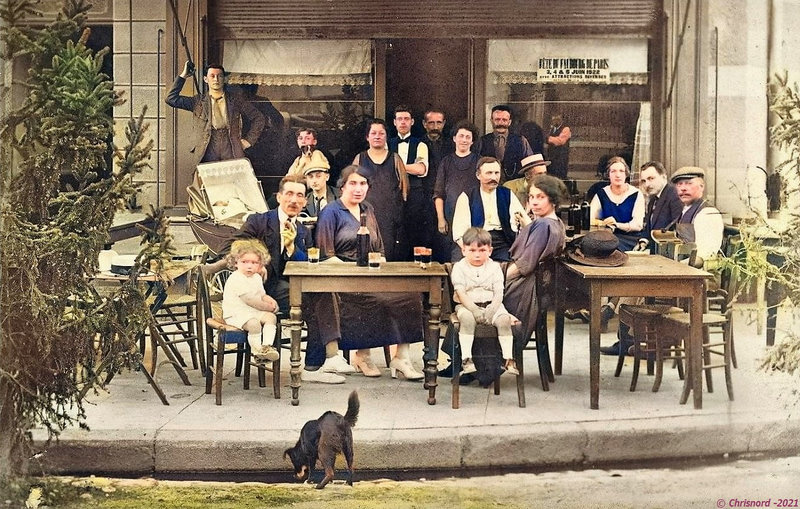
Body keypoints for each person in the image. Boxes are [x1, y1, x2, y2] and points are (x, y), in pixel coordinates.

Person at [225, 174, 347, 384]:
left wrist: (293, 248)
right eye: (289, 194)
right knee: (316, 299)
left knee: (320, 295)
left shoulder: (302, 231)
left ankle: (315, 364)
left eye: (300, 195)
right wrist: (258, 261)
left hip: (287, 288)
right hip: (255, 291)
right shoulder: (260, 221)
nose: (294, 200)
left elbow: (307, 262)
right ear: (279, 197)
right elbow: (233, 246)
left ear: (305, 201)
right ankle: (325, 359)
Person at [316, 165, 426, 380]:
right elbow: (326, 255)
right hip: (343, 281)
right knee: (373, 300)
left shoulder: (368, 209)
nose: (358, 189)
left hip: (372, 276)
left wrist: (381, 270)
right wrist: (357, 273)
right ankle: (362, 356)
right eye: (353, 183)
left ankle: (401, 358)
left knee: (409, 296)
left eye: (363, 184)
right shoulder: (331, 212)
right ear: (342, 186)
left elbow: (379, 249)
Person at [503, 174, 568, 374]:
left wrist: (496, 281)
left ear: (553, 199)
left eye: (540, 197)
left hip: (522, 288)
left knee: (472, 296)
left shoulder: (543, 225)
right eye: (531, 197)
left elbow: (523, 266)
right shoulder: (555, 223)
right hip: (534, 288)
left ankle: (469, 360)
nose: (534, 202)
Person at [166, 61, 265, 168]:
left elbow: (258, 118)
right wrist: (183, 75)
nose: (216, 79)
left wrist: (248, 141)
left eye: (219, 76)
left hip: (230, 147)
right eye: (212, 76)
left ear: (224, 79)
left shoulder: (235, 100)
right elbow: (171, 99)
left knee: (231, 180)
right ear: (206, 79)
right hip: (207, 148)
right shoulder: (197, 102)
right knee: (207, 181)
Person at [451, 227, 520, 376]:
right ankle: (467, 359)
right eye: (472, 250)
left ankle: (508, 358)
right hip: (467, 306)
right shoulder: (459, 267)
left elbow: (499, 292)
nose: (477, 255)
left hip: (492, 305)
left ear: (490, 250)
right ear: (463, 250)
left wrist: (493, 309)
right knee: (467, 319)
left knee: (503, 320)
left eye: (482, 250)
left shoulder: (494, 268)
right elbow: (461, 293)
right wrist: (474, 310)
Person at [589, 156, 646, 329]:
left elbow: (637, 224)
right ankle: (601, 308)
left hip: (630, 238)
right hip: (608, 237)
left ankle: (607, 308)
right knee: (597, 256)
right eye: (614, 171)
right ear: (608, 175)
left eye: (621, 171)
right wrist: (604, 223)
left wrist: (617, 224)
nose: (618, 174)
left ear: (627, 174)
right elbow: (592, 220)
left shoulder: (636, 194)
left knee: (614, 257)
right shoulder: (602, 193)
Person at [353, 119, 409, 261]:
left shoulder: (395, 159)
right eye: (373, 133)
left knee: (389, 257)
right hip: (365, 216)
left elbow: (404, 190)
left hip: (390, 218)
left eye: (381, 133)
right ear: (367, 137)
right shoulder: (360, 159)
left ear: (386, 137)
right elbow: (351, 188)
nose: (377, 136)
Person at [452, 156, 527, 262]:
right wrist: (470, 251)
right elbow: (459, 232)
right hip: (474, 241)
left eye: (497, 173)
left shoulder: (507, 194)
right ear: (478, 175)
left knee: (506, 267)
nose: (494, 177)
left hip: (501, 242)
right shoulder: (467, 196)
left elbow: (524, 222)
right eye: (489, 173)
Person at [221, 239, 280, 362]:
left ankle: (267, 347)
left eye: (254, 263)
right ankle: (256, 351)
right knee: (254, 324)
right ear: (236, 262)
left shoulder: (256, 277)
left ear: (260, 265)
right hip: (236, 314)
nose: (249, 266)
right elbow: (250, 300)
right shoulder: (236, 278)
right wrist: (267, 307)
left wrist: (271, 302)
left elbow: (261, 295)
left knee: (271, 318)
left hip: (252, 312)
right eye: (244, 262)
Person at [433, 120, 480, 261]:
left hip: (475, 215)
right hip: (450, 216)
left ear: (472, 141)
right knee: (453, 256)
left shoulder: (479, 161)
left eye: (468, 137)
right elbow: (439, 193)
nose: (464, 140)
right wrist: (441, 219)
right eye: (461, 136)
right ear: (454, 138)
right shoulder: (446, 162)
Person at [388, 105, 431, 260]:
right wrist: (407, 167)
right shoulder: (387, 144)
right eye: (400, 119)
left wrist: (396, 165)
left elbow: (421, 169)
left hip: (415, 195)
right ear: (394, 122)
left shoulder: (420, 144)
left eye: (406, 119)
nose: (403, 122)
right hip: (392, 194)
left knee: (414, 231)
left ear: (412, 122)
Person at [671, 166, 724, 264]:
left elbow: (705, 257)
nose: (683, 188)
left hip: (700, 274)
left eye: (689, 183)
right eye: (679, 184)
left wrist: (674, 267)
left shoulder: (708, 214)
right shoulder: (684, 211)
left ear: (701, 186)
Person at [478, 105, 534, 182]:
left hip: (515, 188)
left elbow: (530, 165)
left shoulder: (521, 141)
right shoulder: (482, 141)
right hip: (489, 185)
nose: (501, 123)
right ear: (491, 121)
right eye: (497, 119)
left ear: (509, 122)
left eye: (504, 120)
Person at [637, 161, 683, 252]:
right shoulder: (653, 199)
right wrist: (643, 241)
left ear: (664, 177)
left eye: (651, 178)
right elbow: (649, 228)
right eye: (644, 181)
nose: (647, 184)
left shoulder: (675, 196)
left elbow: (677, 230)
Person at [546, 114, 571, 179]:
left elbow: (560, 141)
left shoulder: (566, 129)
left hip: (561, 158)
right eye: (554, 120)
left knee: (560, 177)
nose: (555, 122)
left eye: (557, 120)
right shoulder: (552, 129)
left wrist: (548, 139)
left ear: (561, 120)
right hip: (552, 157)